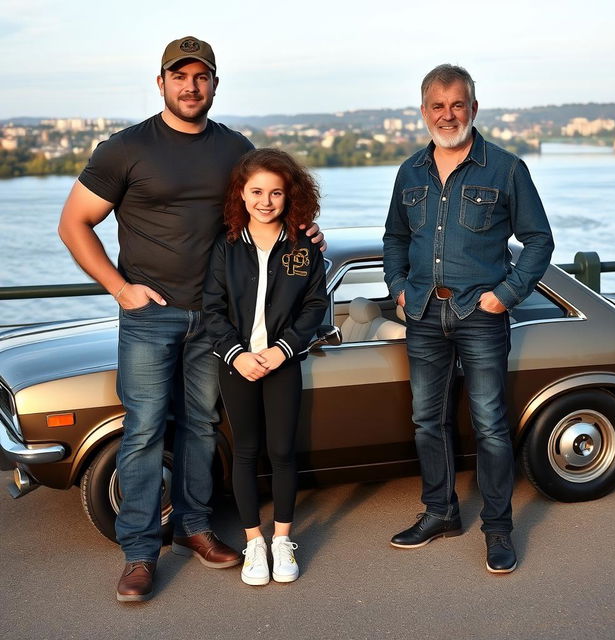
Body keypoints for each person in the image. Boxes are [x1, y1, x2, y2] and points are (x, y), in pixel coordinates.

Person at [58, 36, 323, 602]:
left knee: (203, 426)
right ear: (160, 83)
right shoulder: (125, 148)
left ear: (215, 84)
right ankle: (138, 554)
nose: (190, 86)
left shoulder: (235, 147)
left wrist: (305, 229)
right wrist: (120, 288)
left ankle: (196, 528)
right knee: (146, 429)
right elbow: (75, 223)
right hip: (150, 317)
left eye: (201, 76)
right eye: (179, 76)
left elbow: (270, 198)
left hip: (215, 318)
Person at [383, 64, 553, 573]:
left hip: (480, 313)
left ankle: (498, 530)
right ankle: (439, 512)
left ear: (474, 108)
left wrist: (506, 294)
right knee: (425, 421)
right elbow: (394, 238)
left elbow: (539, 240)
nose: (447, 114)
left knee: (491, 426)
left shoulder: (505, 168)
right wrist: (396, 289)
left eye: (457, 104)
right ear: (423, 112)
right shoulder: (409, 171)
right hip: (422, 313)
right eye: (438, 105)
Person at [203, 148, 328, 586]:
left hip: (283, 363)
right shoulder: (225, 248)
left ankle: (282, 540)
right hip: (236, 364)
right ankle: (254, 541)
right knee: (246, 451)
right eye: (256, 191)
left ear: (289, 195)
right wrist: (237, 354)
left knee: (281, 452)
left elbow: (315, 307)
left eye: (276, 192)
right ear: (241, 193)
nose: (266, 201)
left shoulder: (304, 247)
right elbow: (212, 310)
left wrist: (283, 350)